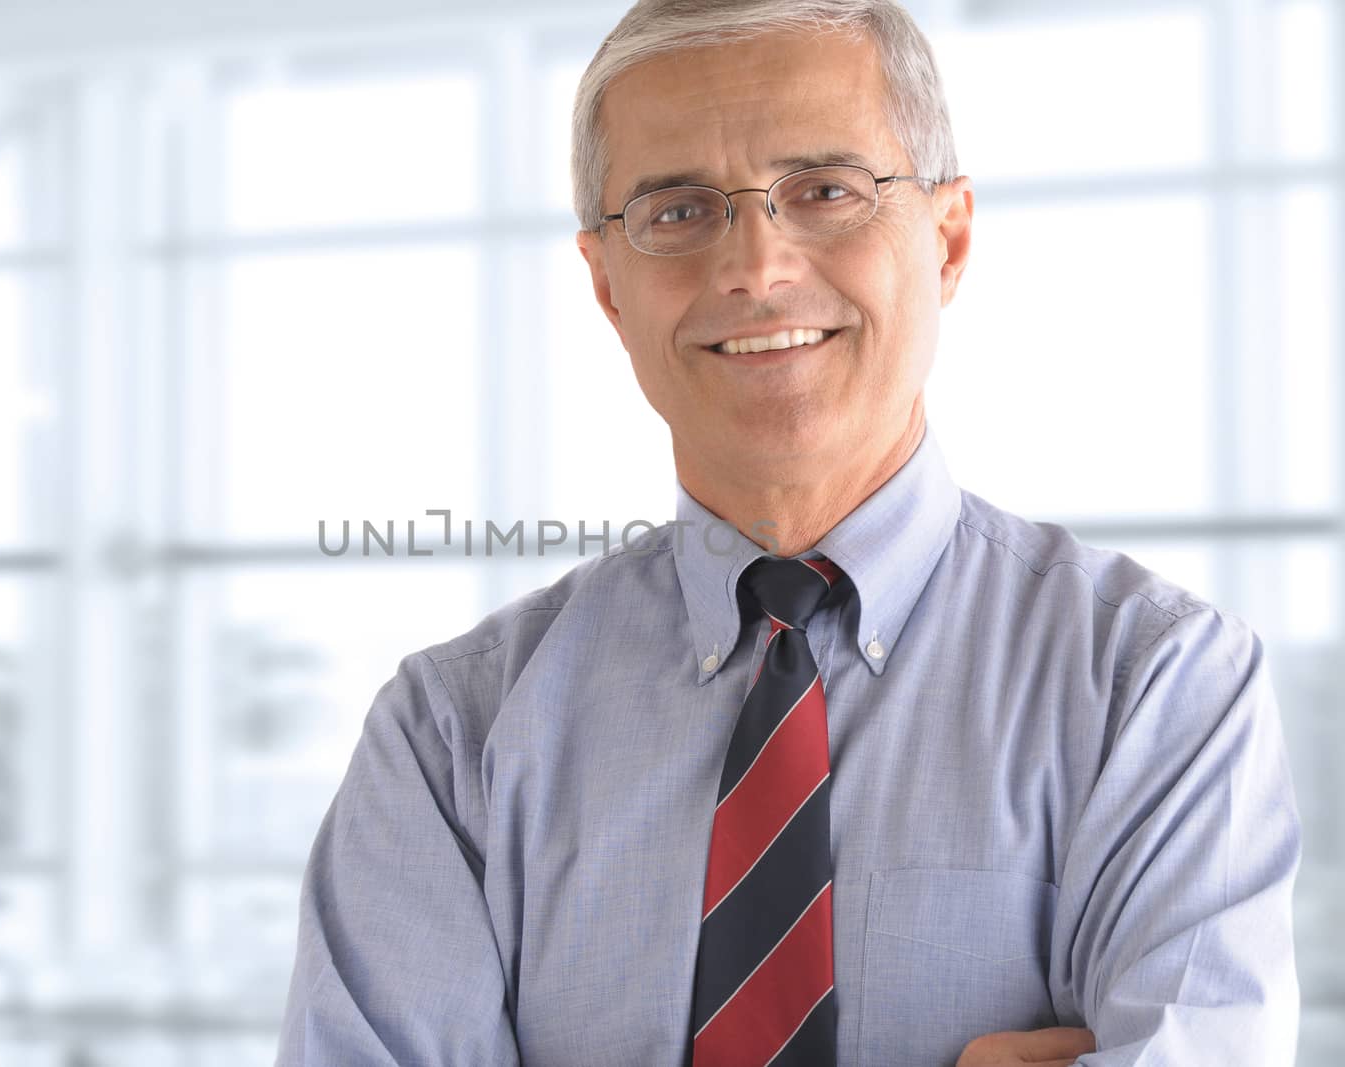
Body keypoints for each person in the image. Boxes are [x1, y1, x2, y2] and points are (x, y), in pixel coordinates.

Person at [276, 0, 1302, 1064]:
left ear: (946, 241)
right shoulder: (452, 742)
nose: (756, 269)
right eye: (677, 210)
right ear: (606, 290)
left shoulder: (1151, 684)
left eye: (824, 191)